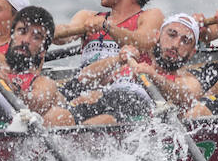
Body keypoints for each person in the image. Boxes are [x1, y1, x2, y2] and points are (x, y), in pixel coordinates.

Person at [45, 13, 204, 126]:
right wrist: (116, 59)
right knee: (56, 116)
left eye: (185, 41)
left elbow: (186, 98)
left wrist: (153, 76)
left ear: (192, 53)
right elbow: (82, 79)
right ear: (157, 36)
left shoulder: (188, 80)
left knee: (106, 119)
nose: (175, 45)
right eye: (172, 35)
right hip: (103, 104)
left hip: (135, 119)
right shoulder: (133, 60)